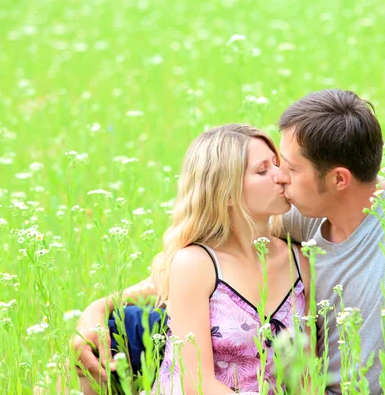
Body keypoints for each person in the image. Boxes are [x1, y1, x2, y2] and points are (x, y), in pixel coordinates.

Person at [72, 89, 385, 394]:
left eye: (288, 168)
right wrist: (96, 309)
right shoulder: (299, 211)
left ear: (338, 180)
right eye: (269, 168)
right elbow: (185, 275)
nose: (281, 178)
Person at [73, 124, 311, 394]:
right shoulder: (196, 264)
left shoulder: (301, 261)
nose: (281, 176)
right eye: (263, 170)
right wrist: (95, 310)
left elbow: (308, 374)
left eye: (277, 164)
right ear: (227, 192)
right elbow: (197, 382)